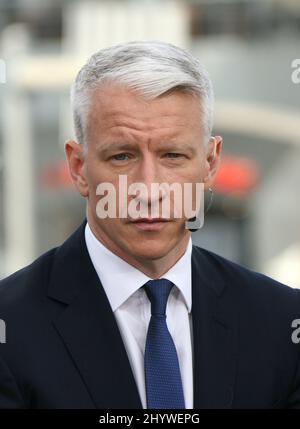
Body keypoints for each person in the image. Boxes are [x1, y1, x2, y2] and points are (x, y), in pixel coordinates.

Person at [0, 41, 300, 409]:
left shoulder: (283, 324)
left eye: (172, 155)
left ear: (209, 162)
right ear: (79, 167)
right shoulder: (10, 329)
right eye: (122, 156)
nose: (147, 189)